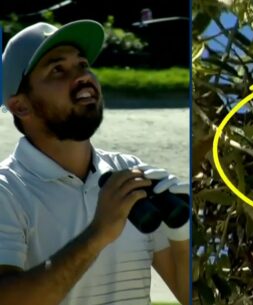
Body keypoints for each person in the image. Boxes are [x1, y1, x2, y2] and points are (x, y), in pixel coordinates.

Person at [0, 20, 189, 305]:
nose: (82, 76)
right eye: (58, 69)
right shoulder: (7, 191)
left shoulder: (128, 171)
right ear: (20, 106)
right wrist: (98, 233)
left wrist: (182, 232)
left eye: (83, 64)